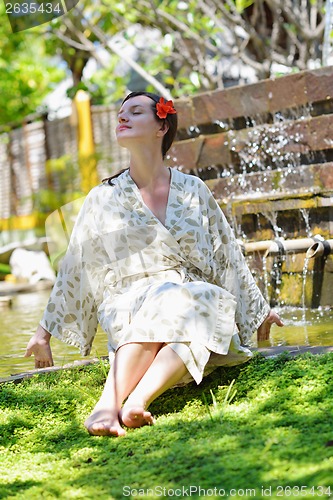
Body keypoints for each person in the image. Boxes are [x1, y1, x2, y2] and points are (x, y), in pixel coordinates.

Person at [25, 91, 283, 437]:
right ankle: (106, 405)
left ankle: (136, 402)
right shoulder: (103, 198)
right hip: (129, 304)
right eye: (120, 114)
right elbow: (75, 265)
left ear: (162, 126)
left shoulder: (193, 190)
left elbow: (227, 254)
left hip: (191, 300)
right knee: (187, 298)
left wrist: (259, 310)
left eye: (134, 112)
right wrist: (44, 334)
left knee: (206, 297)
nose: (122, 118)